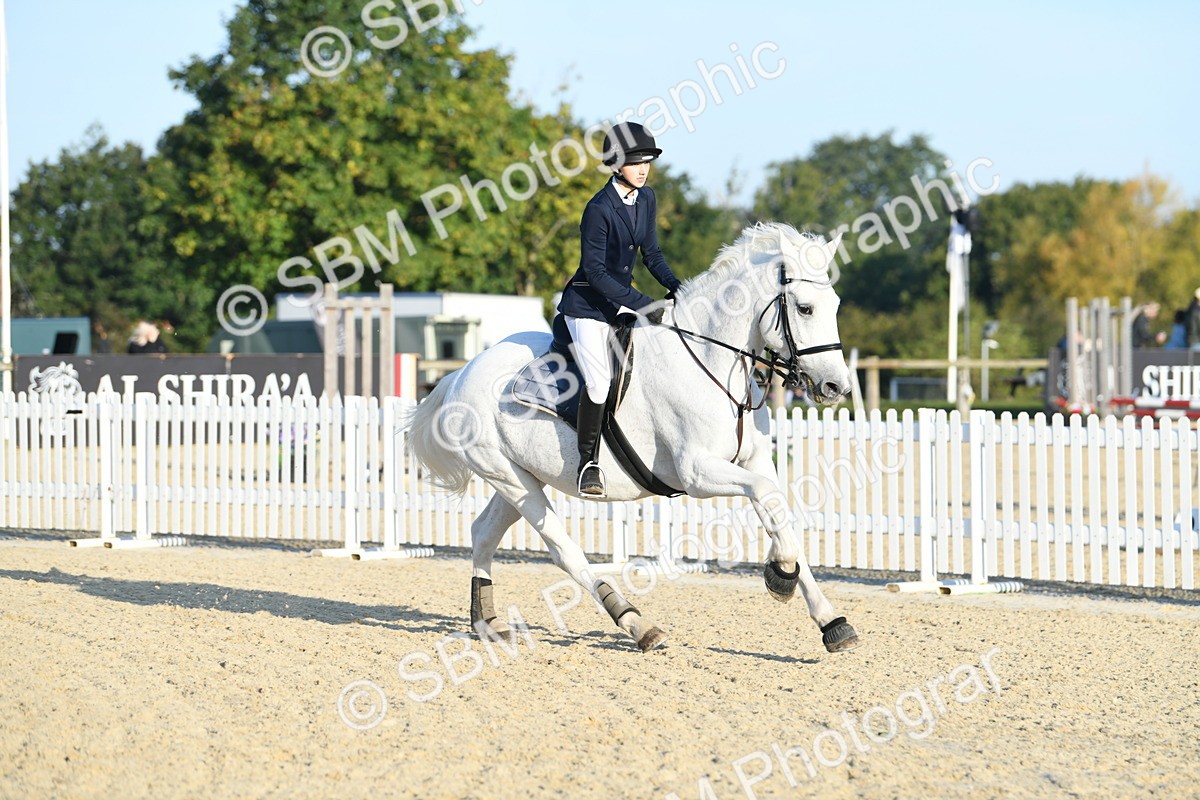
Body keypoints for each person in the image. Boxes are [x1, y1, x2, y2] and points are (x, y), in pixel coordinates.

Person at [556, 121, 682, 498]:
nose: (643, 169)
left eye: (647, 161)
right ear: (616, 163)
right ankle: (588, 463)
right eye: (635, 161)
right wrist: (644, 304)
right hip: (587, 307)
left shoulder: (647, 199)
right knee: (598, 383)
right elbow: (594, 273)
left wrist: (677, 286)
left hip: (620, 301)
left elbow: (653, 254)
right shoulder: (598, 208)